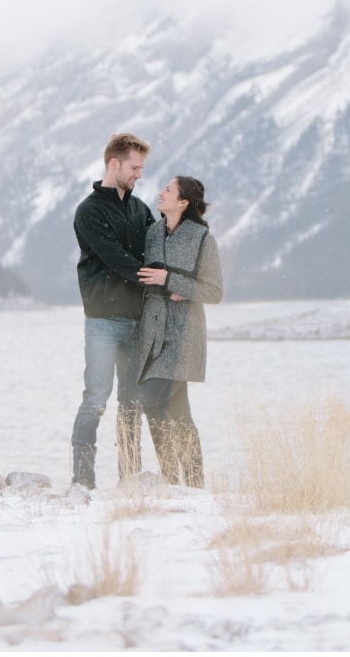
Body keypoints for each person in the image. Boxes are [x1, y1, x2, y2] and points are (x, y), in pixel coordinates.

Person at [70, 132, 155, 490]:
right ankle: (83, 481)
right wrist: (157, 280)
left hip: (136, 321)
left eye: (142, 168)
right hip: (103, 322)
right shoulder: (89, 211)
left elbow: (158, 245)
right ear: (114, 164)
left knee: (132, 404)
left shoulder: (140, 209)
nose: (139, 175)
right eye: (135, 167)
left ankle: (130, 479)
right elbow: (116, 260)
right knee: (96, 401)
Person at [135, 175, 222, 488]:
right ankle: (194, 486)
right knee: (178, 412)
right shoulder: (152, 233)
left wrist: (171, 280)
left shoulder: (202, 238)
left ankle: (172, 482)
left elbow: (214, 292)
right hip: (153, 334)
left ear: (183, 202)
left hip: (184, 336)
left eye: (168, 190)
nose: (161, 193)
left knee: (153, 401)